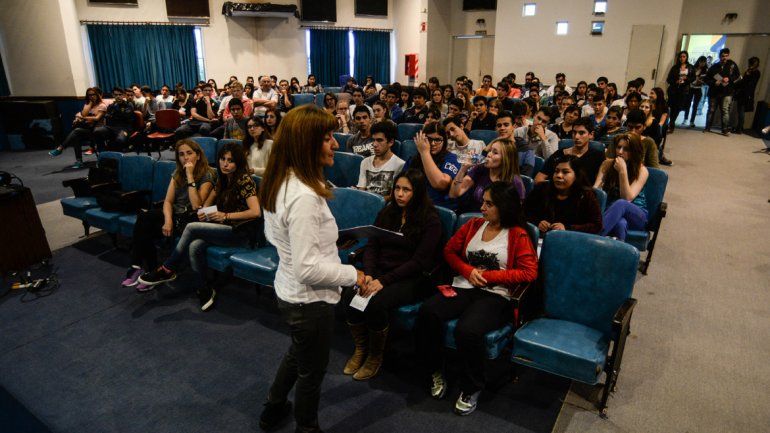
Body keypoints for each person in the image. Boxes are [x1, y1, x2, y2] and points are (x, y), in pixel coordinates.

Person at [257, 105, 366, 433]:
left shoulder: (280, 180)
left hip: (289, 292)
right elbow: (307, 269)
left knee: (298, 353)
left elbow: (282, 240)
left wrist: (329, 245)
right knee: (311, 374)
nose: (335, 144)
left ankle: (273, 407)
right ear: (306, 144)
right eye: (327, 138)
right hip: (308, 300)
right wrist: (354, 276)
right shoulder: (304, 196)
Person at [416, 181, 538, 416]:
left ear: (503, 206)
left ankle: (472, 387)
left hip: (496, 294)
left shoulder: (517, 234)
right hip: (464, 286)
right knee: (428, 312)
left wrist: (490, 276)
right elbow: (449, 252)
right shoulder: (473, 225)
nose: (482, 207)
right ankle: (434, 370)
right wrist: (466, 270)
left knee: (467, 330)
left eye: (489, 204)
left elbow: (529, 272)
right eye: (483, 201)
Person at [138, 142, 261, 310]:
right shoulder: (223, 179)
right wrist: (205, 212)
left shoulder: (244, 180)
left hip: (240, 232)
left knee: (191, 228)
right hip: (222, 228)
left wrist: (225, 215)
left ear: (238, 163)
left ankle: (168, 268)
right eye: (222, 159)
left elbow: (255, 212)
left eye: (230, 161)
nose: (225, 164)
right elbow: (202, 206)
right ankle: (204, 287)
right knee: (194, 246)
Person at [344, 169, 441, 380]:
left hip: (411, 277)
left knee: (376, 302)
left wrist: (383, 281)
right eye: (397, 188)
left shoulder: (430, 220)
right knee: (350, 292)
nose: (400, 194)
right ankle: (361, 349)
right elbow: (372, 245)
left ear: (417, 192)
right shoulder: (388, 211)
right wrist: (368, 274)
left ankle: (375, 356)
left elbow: (419, 262)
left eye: (406, 190)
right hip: (380, 271)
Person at [122, 140, 215, 291]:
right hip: (174, 216)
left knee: (146, 225)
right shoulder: (178, 173)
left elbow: (196, 204)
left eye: (189, 153)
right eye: (181, 154)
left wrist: (190, 175)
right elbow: (168, 201)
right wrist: (168, 220)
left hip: (190, 219)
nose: (185, 158)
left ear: (198, 155)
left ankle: (152, 272)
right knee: (144, 218)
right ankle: (141, 267)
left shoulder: (208, 174)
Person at [525, 154, 602, 235]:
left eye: (565, 172)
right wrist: (537, 223)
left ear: (576, 175)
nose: (559, 175)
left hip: (572, 241)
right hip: (540, 239)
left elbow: (596, 226)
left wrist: (567, 228)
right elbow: (524, 213)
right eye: (556, 171)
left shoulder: (586, 195)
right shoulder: (541, 188)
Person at [594, 134, 649, 241]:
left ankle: (592, 240)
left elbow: (627, 198)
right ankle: (618, 256)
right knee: (620, 223)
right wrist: (601, 185)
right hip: (611, 212)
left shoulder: (642, 171)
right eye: (619, 147)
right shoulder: (607, 164)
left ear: (634, 151)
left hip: (637, 214)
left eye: (626, 149)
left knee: (621, 203)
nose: (620, 152)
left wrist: (622, 172)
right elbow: (595, 192)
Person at [449, 138, 526, 214]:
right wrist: (463, 169)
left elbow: (516, 213)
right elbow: (454, 193)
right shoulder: (480, 169)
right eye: (490, 151)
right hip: (472, 217)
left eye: (495, 153)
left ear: (506, 159)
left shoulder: (515, 182)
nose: (489, 154)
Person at [405, 122, 461, 210]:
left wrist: (424, 152)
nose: (433, 143)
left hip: (436, 209)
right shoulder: (413, 160)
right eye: (429, 139)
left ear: (444, 141)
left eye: (438, 140)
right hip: (412, 205)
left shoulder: (451, 159)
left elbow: (441, 184)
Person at [49, 87, 107, 168]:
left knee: (76, 132)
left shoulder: (102, 105)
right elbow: (82, 114)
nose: (91, 96)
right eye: (89, 95)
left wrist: (82, 118)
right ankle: (79, 161)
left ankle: (60, 148)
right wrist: (88, 106)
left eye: (93, 94)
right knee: (76, 136)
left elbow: (96, 118)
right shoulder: (88, 105)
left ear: (97, 95)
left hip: (99, 129)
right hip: (88, 129)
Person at [535, 118, 605, 185]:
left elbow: (601, 182)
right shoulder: (559, 154)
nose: (576, 137)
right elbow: (539, 178)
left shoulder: (597, 156)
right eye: (574, 132)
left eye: (581, 133)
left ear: (591, 135)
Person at [356, 120, 406, 197]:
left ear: (391, 142)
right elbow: (361, 191)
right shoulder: (365, 162)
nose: (375, 144)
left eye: (379, 140)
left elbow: (394, 196)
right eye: (373, 140)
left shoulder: (400, 165)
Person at [704, 48, 740, 135]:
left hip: (727, 92)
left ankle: (725, 129)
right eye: (723, 56)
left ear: (728, 55)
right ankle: (707, 127)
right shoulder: (714, 66)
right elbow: (706, 79)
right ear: (720, 56)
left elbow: (737, 76)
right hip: (714, 92)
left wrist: (730, 79)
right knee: (711, 110)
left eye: (726, 56)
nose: (724, 58)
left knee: (725, 110)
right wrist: (714, 82)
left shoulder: (733, 65)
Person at [93, 87, 136, 152]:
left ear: (123, 95)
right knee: (97, 131)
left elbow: (125, 117)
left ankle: (118, 156)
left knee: (120, 139)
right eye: (116, 95)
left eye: (120, 94)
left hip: (124, 128)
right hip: (112, 127)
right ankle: (103, 153)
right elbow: (108, 117)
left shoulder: (128, 105)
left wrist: (116, 109)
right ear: (113, 95)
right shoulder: (111, 106)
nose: (118, 96)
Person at [495, 111, 535, 176]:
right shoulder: (495, 147)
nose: (502, 128)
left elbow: (525, 177)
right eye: (499, 126)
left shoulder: (527, 150)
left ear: (514, 126)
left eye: (506, 125)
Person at [666, 50, 695, 132]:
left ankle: (671, 123)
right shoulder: (675, 67)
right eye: (681, 56)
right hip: (673, 90)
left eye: (684, 56)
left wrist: (687, 79)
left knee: (678, 108)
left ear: (686, 57)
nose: (682, 58)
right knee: (672, 107)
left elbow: (693, 78)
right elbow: (668, 79)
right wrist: (675, 81)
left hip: (683, 91)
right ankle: (671, 124)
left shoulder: (690, 67)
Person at [734, 57, 761, 134]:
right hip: (743, 93)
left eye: (751, 64)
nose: (749, 65)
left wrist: (747, 75)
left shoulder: (756, 73)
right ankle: (740, 127)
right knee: (740, 111)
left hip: (746, 94)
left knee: (741, 111)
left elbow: (749, 84)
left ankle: (739, 129)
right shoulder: (749, 71)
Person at [688, 56, 708, 127]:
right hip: (691, 87)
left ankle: (692, 121)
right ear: (698, 61)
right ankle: (685, 117)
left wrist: (701, 81)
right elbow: (689, 77)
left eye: (704, 62)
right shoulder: (693, 68)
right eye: (701, 62)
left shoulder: (705, 70)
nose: (702, 64)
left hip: (699, 88)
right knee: (687, 103)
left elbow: (706, 81)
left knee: (695, 105)